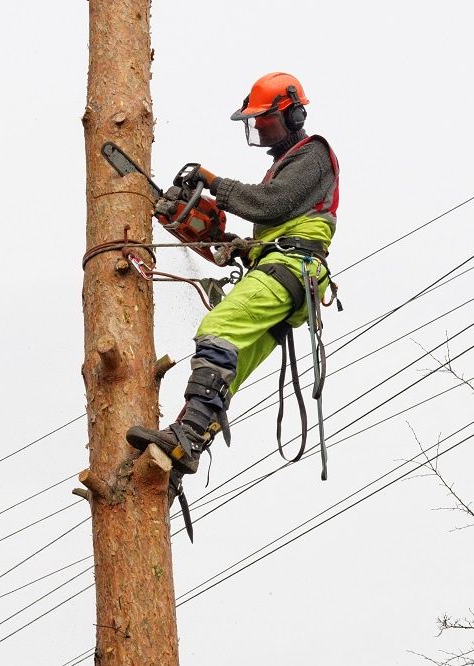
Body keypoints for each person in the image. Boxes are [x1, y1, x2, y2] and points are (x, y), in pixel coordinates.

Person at [125, 72, 340, 505]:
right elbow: (273, 224)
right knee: (231, 367)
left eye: (266, 120)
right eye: (255, 122)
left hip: (290, 268)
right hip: (285, 271)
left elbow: (270, 203)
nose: (259, 128)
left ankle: (184, 439)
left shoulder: (312, 154)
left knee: (218, 329)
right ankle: (184, 449)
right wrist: (230, 243)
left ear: (295, 115)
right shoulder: (285, 164)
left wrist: (215, 184)